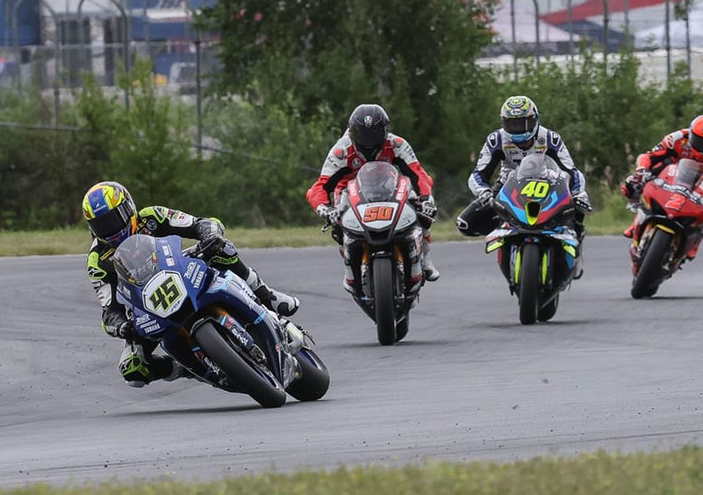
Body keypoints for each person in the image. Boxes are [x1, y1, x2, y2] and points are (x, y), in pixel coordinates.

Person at [82, 181, 299, 388]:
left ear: (128, 207)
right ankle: (186, 368)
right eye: (100, 224)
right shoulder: (98, 260)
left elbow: (201, 223)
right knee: (133, 371)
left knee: (223, 249)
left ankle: (267, 297)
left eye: (112, 219)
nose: (109, 229)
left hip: (181, 269)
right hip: (146, 305)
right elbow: (109, 310)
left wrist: (211, 236)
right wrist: (121, 326)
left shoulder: (152, 217)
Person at [307, 104, 439, 291]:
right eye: (363, 138)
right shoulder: (341, 151)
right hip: (348, 192)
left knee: (422, 209)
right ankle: (351, 269)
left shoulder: (397, 144)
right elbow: (319, 187)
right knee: (338, 223)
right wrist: (325, 208)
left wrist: (426, 199)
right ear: (352, 133)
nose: (368, 145)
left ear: (385, 131)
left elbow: (419, 176)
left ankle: (426, 259)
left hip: (389, 186)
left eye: (374, 138)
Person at [456, 95, 591, 240]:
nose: (518, 129)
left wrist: (577, 192)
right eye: (512, 124)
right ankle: (504, 227)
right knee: (465, 224)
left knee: (578, 204)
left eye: (523, 123)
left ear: (535, 120)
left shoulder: (550, 138)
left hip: (547, 183)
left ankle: (575, 231)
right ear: (504, 123)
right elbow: (478, 175)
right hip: (507, 185)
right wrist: (484, 192)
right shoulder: (496, 140)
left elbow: (572, 171)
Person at [621, 115, 703, 258]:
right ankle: (638, 219)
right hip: (668, 170)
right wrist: (641, 170)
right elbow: (649, 156)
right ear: (691, 134)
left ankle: (695, 242)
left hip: (697, 181)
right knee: (632, 182)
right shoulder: (677, 139)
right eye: (699, 140)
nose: (702, 147)